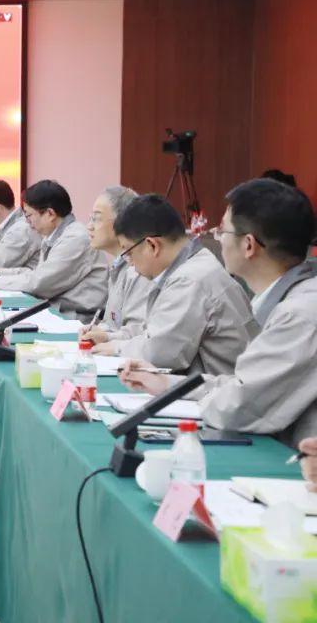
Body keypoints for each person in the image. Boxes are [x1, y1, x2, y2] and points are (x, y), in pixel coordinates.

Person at [120, 179, 317, 446]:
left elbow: (238, 406)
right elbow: (242, 385)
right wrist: (167, 384)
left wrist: (182, 393)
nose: (217, 238)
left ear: (248, 245)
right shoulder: (288, 300)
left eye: (222, 230)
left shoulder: (299, 314)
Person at [99, 194, 257, 375]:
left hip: (215, 388)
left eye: (128, 252)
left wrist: (116, 348)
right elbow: (153, 331)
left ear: (152, 246)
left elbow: (159, 354)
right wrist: (109, 338)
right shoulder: (192, 264)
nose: (130, 263)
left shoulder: (190, 280)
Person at [0, 180, 108, 317]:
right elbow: (37, 273)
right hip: (59, 311)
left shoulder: (75, 239)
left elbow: (39, 283)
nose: (27, 222)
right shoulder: (54, 235)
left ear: (50, 214)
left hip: (77, 318)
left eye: (29, 215)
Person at [80, 186, 154, 342]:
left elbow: (137, 333)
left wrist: (106, 336)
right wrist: (99, 329)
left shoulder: (140, 268)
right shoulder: (117, 265)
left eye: (96, 218)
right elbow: (113, 323)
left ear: (122, 221)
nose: (89, 226)